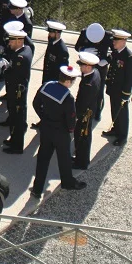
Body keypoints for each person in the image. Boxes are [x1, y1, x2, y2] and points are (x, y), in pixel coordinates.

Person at [31, 65, 86, 198]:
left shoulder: (46, 86)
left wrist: (43, 117)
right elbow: (71, 119)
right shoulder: (68, 97)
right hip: (61, 132)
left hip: (46, 129)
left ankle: (37, 189)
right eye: (72, 81)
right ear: (67, 81)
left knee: (43, 159)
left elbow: (35, 103)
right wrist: (70, 129)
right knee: (64, 158)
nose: (72, 83)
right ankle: (67, 182)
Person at [0, 30, 32, 154]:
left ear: (19, 41)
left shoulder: (20, 58)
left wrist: (4, 68)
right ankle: (13, 140)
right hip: (17, 90)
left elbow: (12, 76)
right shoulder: (26, 49)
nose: (9, 43)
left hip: (17, 92)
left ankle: (17, 146)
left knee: (17, 120)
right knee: (15, 118)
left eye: (12, 41)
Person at [75, 22, 112, 120]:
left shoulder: (107, 36)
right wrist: (84, 49)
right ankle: (83, 108)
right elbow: (77, 46)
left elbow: (115, 51)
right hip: (87, 66)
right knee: (85, 87)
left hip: (101, 66)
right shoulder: (84, 33)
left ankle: (98, 111)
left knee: (99, 91)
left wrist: (106, 60)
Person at [103, 29, 132, 147]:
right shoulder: (116, 52)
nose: (113, 42)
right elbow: (111, 62)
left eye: (116, 40)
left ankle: (122, 136)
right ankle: (116, 129)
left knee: (122, 113)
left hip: (121, 91)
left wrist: (126, 94)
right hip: (113, 88)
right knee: (114, 110)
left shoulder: (128, 56)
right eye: (114, 40)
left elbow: (129, 78)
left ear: (123, 42)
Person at [73, 52, 101, 169]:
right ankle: (79, 158)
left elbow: (83, 102)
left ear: (88, 67)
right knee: (82, 136)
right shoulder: (95, 73)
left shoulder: (89, 83)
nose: (80, 68)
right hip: (88, 111)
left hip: (85, 114)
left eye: (82, 66)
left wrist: (76, 115)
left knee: (82, 137)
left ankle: (81, 162)